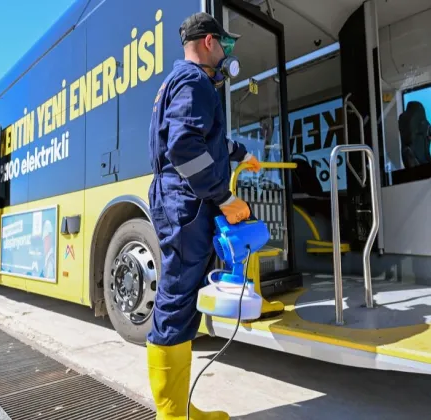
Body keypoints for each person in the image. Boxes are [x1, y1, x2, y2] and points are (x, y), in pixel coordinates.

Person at [146, 12, 260, 420]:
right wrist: (223, 195)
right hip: (187, 201)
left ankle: (180, 408)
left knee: (182, 297)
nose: (228, 51)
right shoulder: (195, 81)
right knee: (176, 299)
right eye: (224, 43)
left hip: (180, 198)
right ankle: (172, 414)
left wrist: (241, 153)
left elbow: (204, 138)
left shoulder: (179, 82)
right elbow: (183, 147)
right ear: (209, 41)